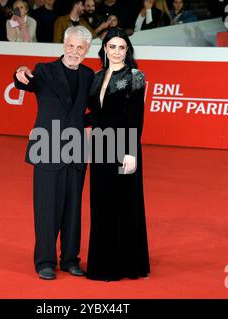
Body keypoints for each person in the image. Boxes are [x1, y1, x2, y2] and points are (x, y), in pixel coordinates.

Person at [13, 25, 94, 280]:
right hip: (47, 148)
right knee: (46, 208)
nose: (74, 51)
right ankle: (45, 261)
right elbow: (23, 82)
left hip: (77, 150)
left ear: (86, 50)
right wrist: (19, 73)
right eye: (70, 46)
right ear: (63, 45)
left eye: (79, 47)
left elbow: (93, 110)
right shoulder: (44, 71)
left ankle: (70, 259)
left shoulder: (89, 75)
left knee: (73, 209)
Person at [85, 28, 150, 281]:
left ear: (128, 51)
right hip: (101, 146)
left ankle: (128, 264)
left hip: (124, 147)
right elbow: (98, 115)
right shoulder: (97, 76)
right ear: (104, 49)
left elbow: (136, 117)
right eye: (112, 47)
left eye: (121, 47)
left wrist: (131, 151)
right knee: (102, 203)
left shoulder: (135, 76)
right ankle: (103, 264)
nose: (116, 52)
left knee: (126, 202)